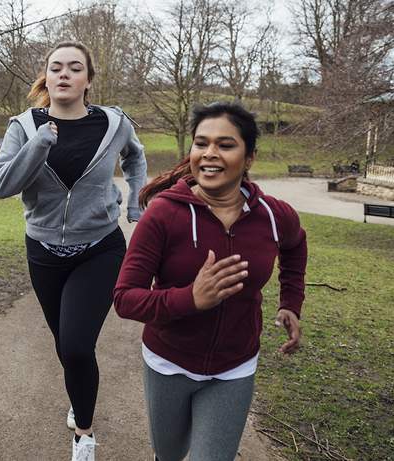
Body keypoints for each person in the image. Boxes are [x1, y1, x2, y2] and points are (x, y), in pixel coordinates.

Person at [113, 102, 307, 461]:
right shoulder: (164, 214)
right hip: (168, 363)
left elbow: (296, 246)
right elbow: (125, 299)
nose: (209, 154)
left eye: (226, 144)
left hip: (234, 366)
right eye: (201, 143)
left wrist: (290, 302)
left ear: (249, 158)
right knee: (168, 455)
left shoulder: (273, 215)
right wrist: (190, 299)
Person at [0, 41, 147, 461]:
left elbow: (136, 157)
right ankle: (80, 396)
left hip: (100, 247)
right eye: (56, 67)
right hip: (43, 250)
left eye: (74, 68)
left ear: (88, 80)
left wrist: (135, 200)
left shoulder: (114, 124)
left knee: (78, 345)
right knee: (65, 344)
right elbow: (3, 185)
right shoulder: (24, 127)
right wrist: (38, 145)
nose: (64, 74)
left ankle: (84, 434)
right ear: (46, 75)